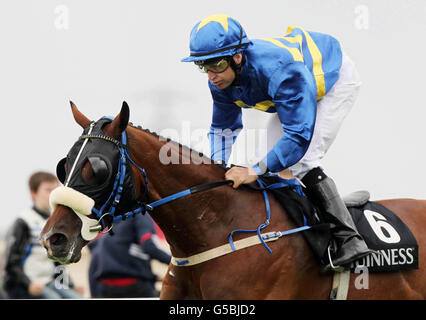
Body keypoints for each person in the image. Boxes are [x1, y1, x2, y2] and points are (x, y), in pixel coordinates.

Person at [182, 14, 374, 271]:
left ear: (237, 57)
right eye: (203, 66)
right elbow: (223, 129)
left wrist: (254, 171)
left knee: (301, 161)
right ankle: (302, 225)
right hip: (295, 91)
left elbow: (298, 136)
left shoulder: (279, 70)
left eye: (215, 64)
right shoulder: (220, 81)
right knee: (265, 163)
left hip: (332, 81)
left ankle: (349, 238)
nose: (211, 76)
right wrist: (217, 169)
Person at [3, 171, 84, 298]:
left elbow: (58, 262)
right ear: (33, 193)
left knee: (78, 298)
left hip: (49, 283)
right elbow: (11, 264)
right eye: (48, 190)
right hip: (24, 286)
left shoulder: (53, 223)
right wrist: (28, 285)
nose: (52, 194)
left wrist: (71, 286)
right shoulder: (24, 221)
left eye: (55, 190)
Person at [88, 213, 171, 298]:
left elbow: (96, 253)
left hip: (105, 286)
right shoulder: (141, 215)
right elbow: (148, 246)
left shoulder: (110, 220)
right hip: (134, 285)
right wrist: (175, 262)